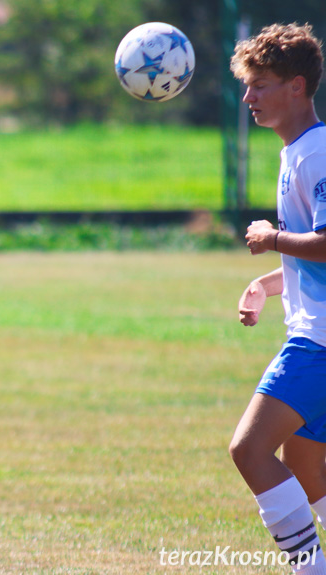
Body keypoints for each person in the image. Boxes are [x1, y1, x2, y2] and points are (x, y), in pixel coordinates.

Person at [230, 23, 326, 574]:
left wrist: (271, 239)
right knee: (307, 468)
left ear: (297, 86)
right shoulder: (296, 152)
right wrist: (268, 283)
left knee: (249, 450)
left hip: (319, 344)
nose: (248, 98)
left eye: (260, 85)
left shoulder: (316, 154)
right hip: (315, 332)